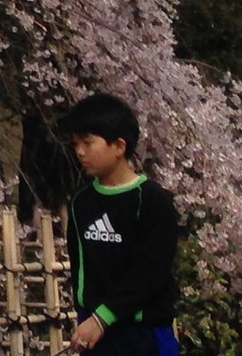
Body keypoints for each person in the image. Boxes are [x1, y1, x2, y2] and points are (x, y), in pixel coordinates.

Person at [59, 93, 181, 356]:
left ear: (119, 146)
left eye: (89, 143)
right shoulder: (81, 202)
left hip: (143, 332)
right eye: (76, 143)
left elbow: (150, 273)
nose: (80, 152)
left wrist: (104, 317)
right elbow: (81, 270)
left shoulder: (150, 201)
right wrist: (87, 319)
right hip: (95, 333)